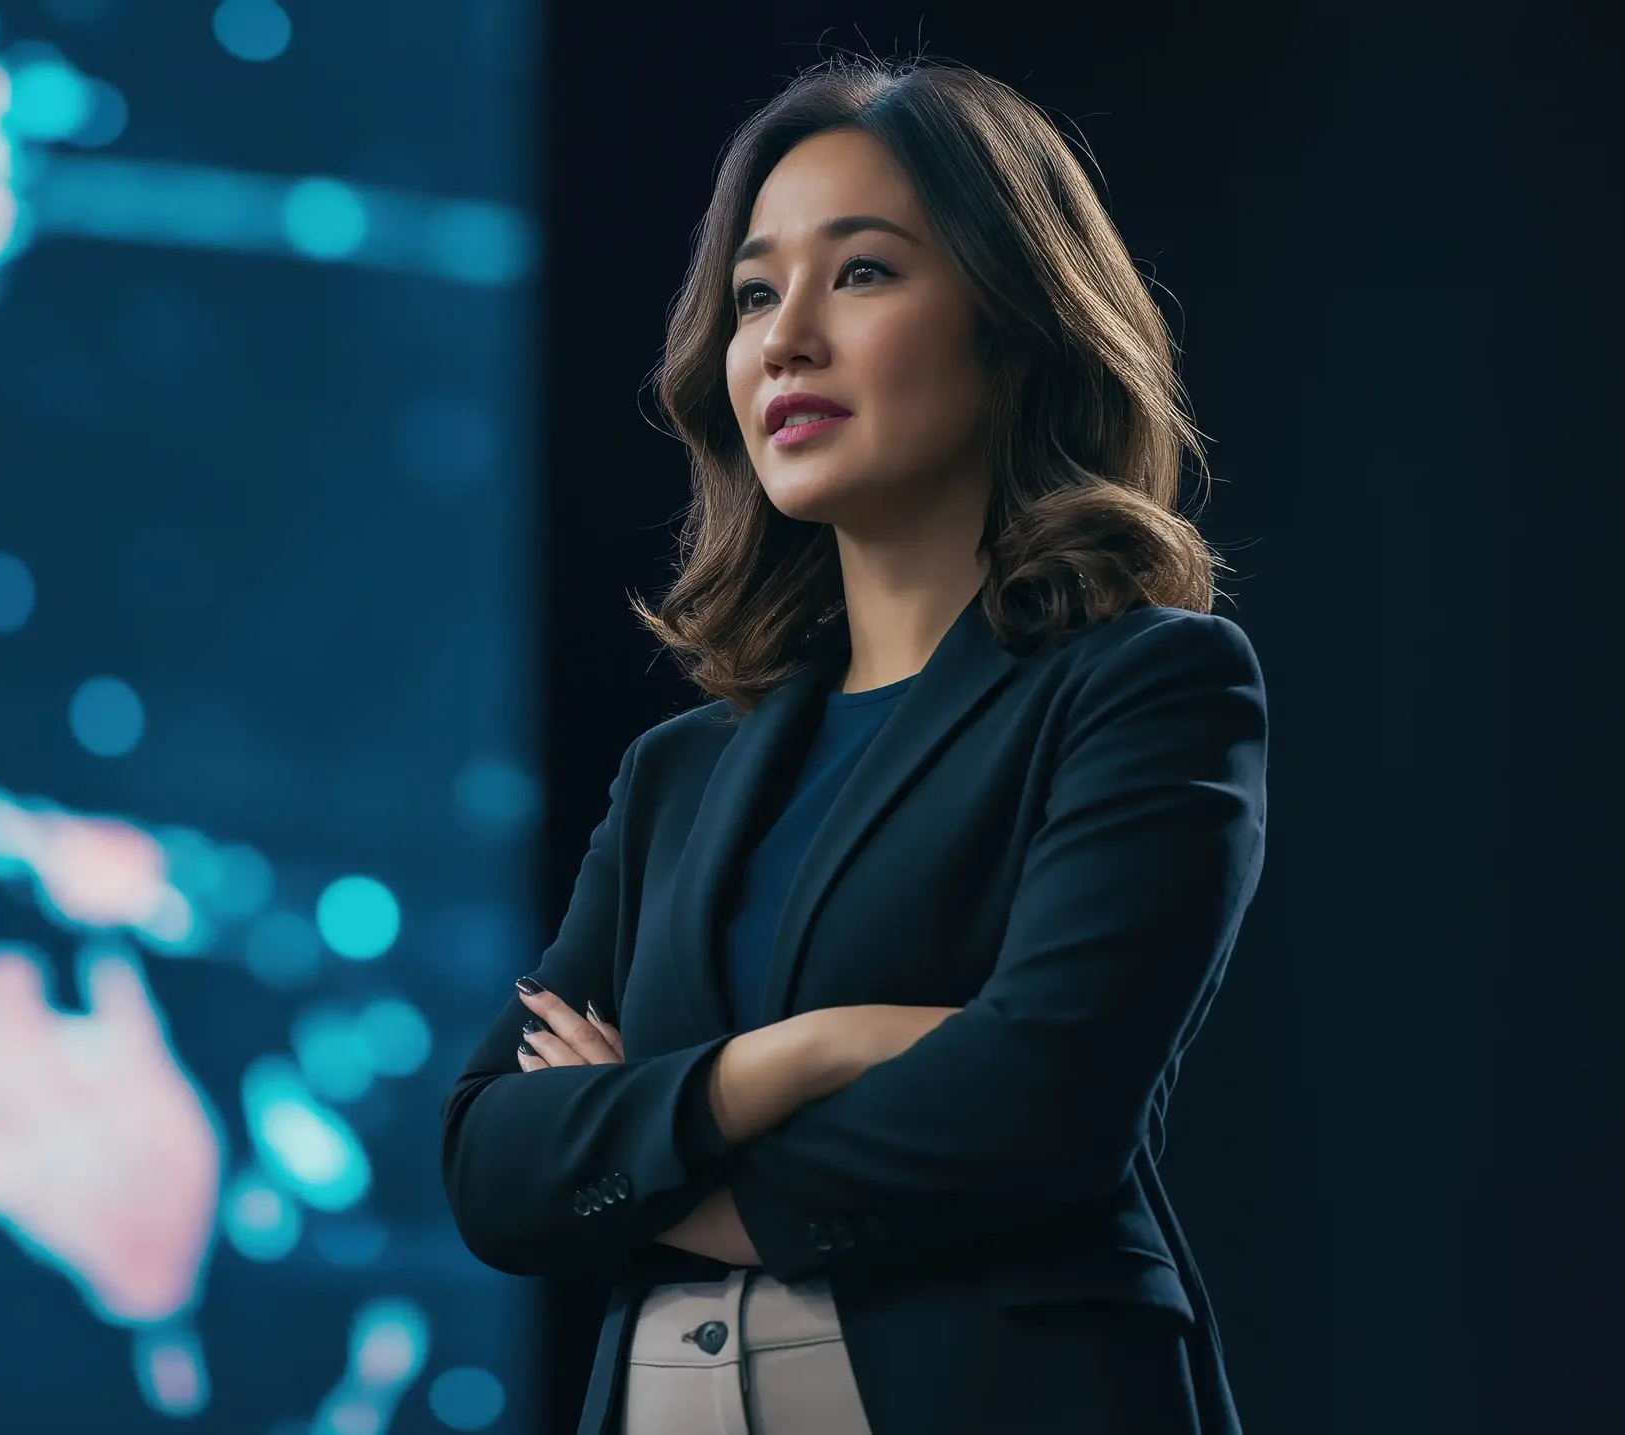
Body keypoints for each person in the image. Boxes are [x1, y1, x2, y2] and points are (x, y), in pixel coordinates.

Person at [439, 53, 1268, 1435]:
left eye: (863, 273)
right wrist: (803, 1054)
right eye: (756, 293)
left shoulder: (1150, 687)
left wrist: (644, 1144)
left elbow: (1033, 1110)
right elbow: (493, 1162)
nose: (783, 339)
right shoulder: (679, 774)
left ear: (1015, 324)